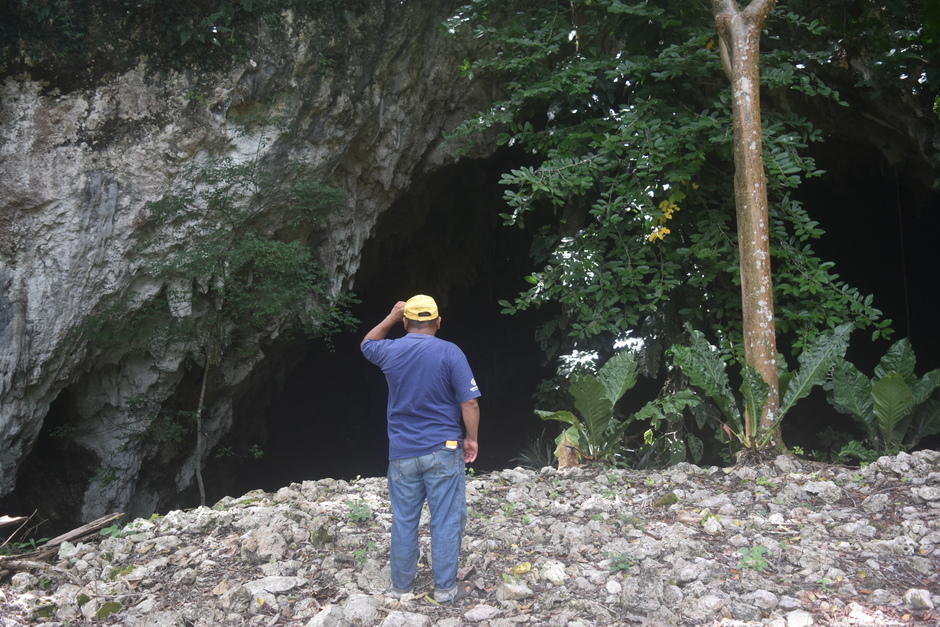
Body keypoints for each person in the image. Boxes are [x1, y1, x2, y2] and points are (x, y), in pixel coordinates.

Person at [360, 295, 480, 603]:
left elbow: (367, 344)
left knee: (404, 520)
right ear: (439, 322)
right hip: (443, 448)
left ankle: (401, 588)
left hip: (402, 452)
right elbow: (469, 402)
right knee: (446, 519)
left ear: (405, 323)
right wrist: (472, 439)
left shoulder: (390, 350)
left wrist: (390, 316)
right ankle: (445, 590)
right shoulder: (450, 352)